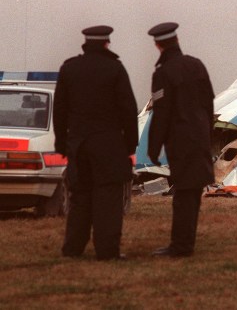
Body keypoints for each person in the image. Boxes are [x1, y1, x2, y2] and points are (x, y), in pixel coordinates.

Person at [53, 25, 138, 261]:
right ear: (106, 43)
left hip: (78, 145)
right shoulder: (115, 69)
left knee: (80, 198)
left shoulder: (69, 68)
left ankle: (72, 249)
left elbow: (59, 111)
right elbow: (128, 110)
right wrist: (130, 146)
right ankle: (107, 251)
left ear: (85, 43)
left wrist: (62, 144)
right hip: (109, 145)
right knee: (108, 199)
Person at [147, 22, 215, 257]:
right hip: (200, 138)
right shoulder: (197, 66)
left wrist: (153, 148)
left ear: (158, 45)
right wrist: (208, 134)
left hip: (180, 141)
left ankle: (181, 246)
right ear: (176, 40)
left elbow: (161, 113)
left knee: (183, 196)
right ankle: (185, 243)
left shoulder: (163, 73)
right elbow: (209, 104)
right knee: (192, 194)